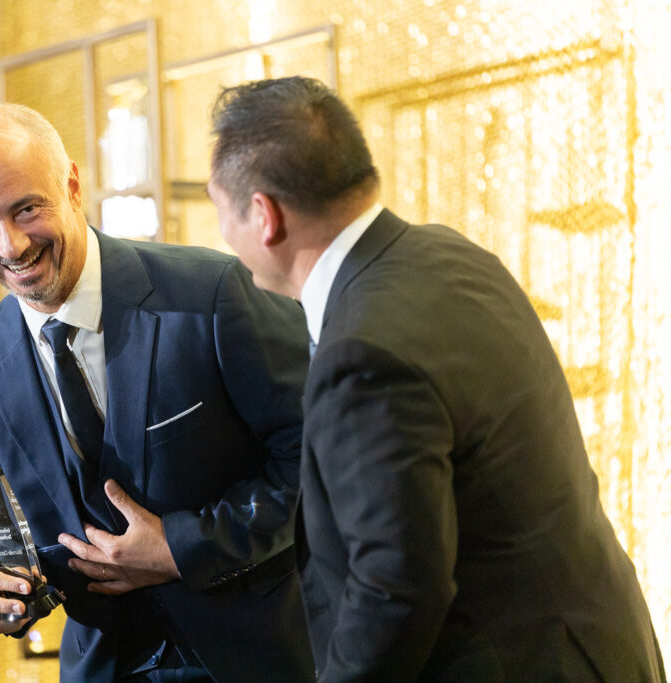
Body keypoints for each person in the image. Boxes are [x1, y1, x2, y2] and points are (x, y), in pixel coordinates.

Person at [208, 75, 667, 682]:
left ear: (264, 216)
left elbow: (395, 589)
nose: (223, 236)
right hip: (596, 643)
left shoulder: (362, 354)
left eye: (222, 212)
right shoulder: (448, 252)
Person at [0, 103, 314, 681]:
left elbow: (321, 463)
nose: (9, 245)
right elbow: (10, 528)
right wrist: (8, 588)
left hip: (255, 657)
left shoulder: (212, 293)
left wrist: (182, 547)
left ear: (71, 185)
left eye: (26, 209)